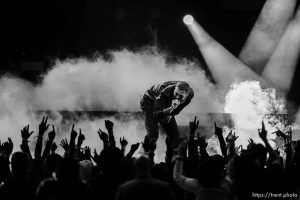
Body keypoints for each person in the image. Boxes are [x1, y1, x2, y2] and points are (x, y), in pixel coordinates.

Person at [140, 81, 194, 162]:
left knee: (175, 136)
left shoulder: (190, 94)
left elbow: (177, 110)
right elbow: (156, 115)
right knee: (153, 135)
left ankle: (172, 162)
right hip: (149, 102)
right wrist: (168, 111)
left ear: (186, 95)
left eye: (181, 96)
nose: (177, 97)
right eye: (176, 94)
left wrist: (173, 111)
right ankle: (143, 160)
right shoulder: (164, 93)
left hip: (166, 104)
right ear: (175, 88)